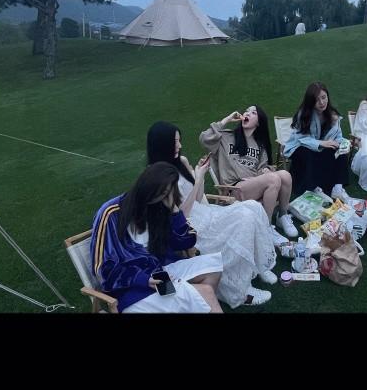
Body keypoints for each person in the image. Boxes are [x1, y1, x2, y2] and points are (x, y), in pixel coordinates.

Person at [150, 121, 277, 307]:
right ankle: (239, 291)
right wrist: (198, 179)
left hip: (204, 212)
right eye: (175, 142)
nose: (179, 145)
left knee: (253, 207)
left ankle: (259, 265)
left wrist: (199, 175)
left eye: (179, 141)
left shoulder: (181, 161)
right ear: (161, 144)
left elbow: (198, 196)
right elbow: (181, 216)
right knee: (245, 218)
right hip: (189, 226)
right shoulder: (157, 177)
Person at [90, 162, 224, 313]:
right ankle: (197, 301)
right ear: (145, 185)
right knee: (205, 292)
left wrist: (174, 212)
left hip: (160, 271)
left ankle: (195, 304)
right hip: (133, 288)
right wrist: (143, 279)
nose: (160, 197)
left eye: (166, 193)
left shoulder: (158, 206)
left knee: (213, 267)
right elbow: (102, 270)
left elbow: (186, 242)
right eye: (160, 192)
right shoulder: (111, 213)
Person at [199, 106, 298, 238]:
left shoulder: (259, 146)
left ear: (258, 122)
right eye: (247, 111)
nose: (247, 113)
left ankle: (282, 215)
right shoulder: (225, 137)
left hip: (253, 184)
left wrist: (265, 171)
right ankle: (265, 227)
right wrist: (227, 119)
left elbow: (262, 169)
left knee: (285, 175)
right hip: (234, 188)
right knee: (273, 179)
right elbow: (204, 138)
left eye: (253, 113)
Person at [283, 81, 350, 199]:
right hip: (300, 147)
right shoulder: (304, 115)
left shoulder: (332, 114)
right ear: (310, 101)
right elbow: (301, 138)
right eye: (317, 100)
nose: (322, 102)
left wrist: (344, 143)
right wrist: (322, 143)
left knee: (340, 150)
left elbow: (338, 136)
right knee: (307, 152)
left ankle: (337, 187)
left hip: (321, 149)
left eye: (324, 97)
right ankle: (313, 188)